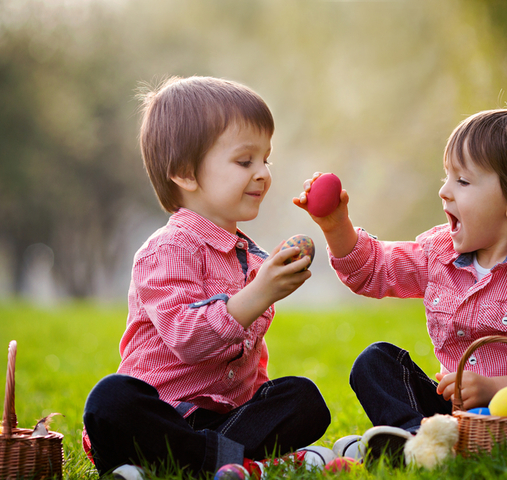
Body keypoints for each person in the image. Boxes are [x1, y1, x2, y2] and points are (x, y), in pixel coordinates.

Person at [295, 105, 507, 464]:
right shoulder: (438, 251)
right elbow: (374, 269)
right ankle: (417, 439)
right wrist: (335, 225)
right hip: (457, 415)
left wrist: (493, 388)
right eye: (447, 177)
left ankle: (425, 443)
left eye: (463, 181)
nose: (444, 192)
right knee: (374, 361)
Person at [83, 76, 331, 478]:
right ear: (185, 172)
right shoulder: (167, 250)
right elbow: (188, 339)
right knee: (110, 400)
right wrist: (258, 294)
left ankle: (205, 460)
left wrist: (262, 402)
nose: (263, 173)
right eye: (244, 161)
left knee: (303, 398)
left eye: (266, 159)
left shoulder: (253, 260)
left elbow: (252, 361)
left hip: (224, 421)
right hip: (162, 416)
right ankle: (231, 460)